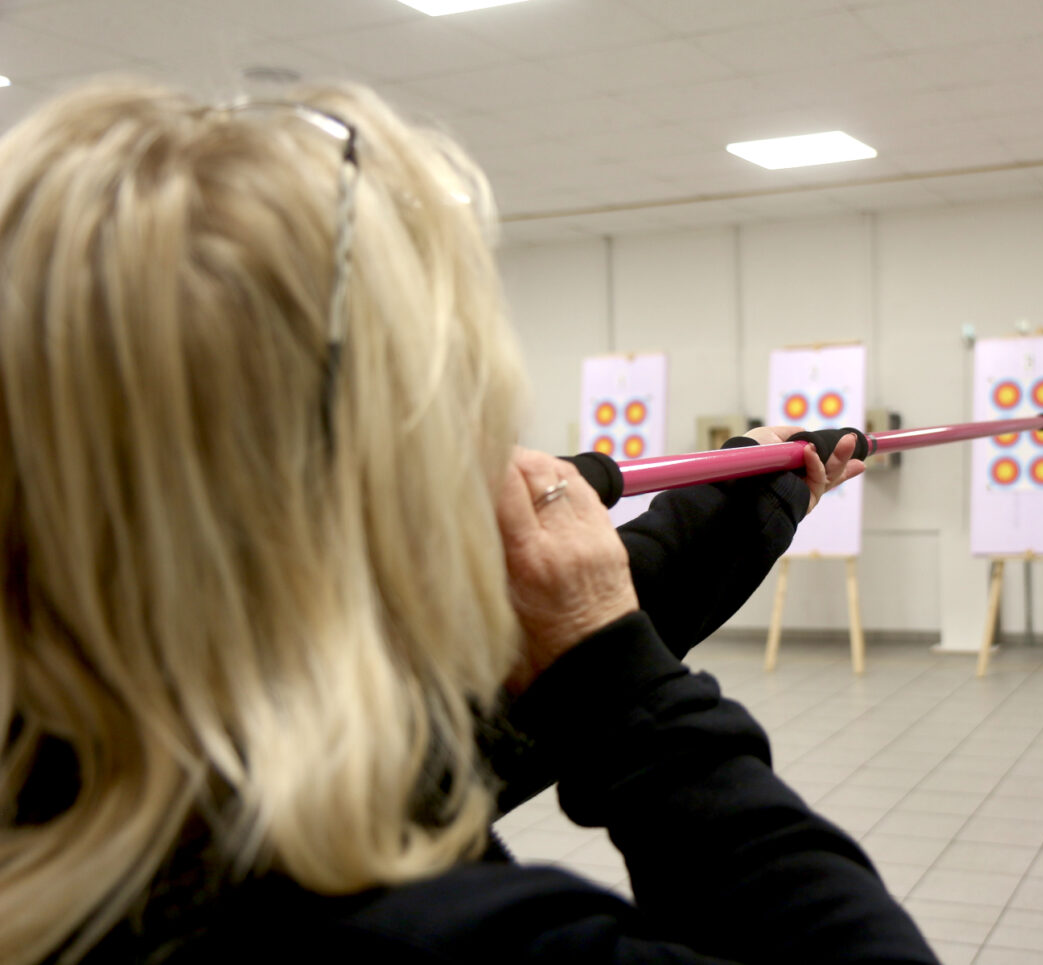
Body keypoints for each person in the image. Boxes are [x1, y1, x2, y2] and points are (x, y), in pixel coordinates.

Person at [0, 79, 938, 964]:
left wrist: (759, 499)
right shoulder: (423, 935)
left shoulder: (91, 775)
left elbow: (493, 703)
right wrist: (627, 686)